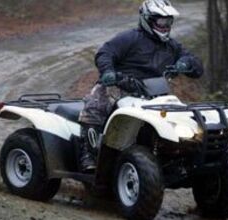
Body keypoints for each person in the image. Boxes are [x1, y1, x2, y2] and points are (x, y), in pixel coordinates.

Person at [77, 0, 204, 172]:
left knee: (182, 118)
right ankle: (88, 153)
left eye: (168, 21)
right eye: (161, 21)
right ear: (147, 19)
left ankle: (177, 153)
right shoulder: (129, 38)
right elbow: (105, 52)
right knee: (97, 103)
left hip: (155, 93)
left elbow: (196, 65)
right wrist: (108, 71)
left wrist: (185, 63)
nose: (165, 25)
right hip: (121, 86)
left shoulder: (171, 46)